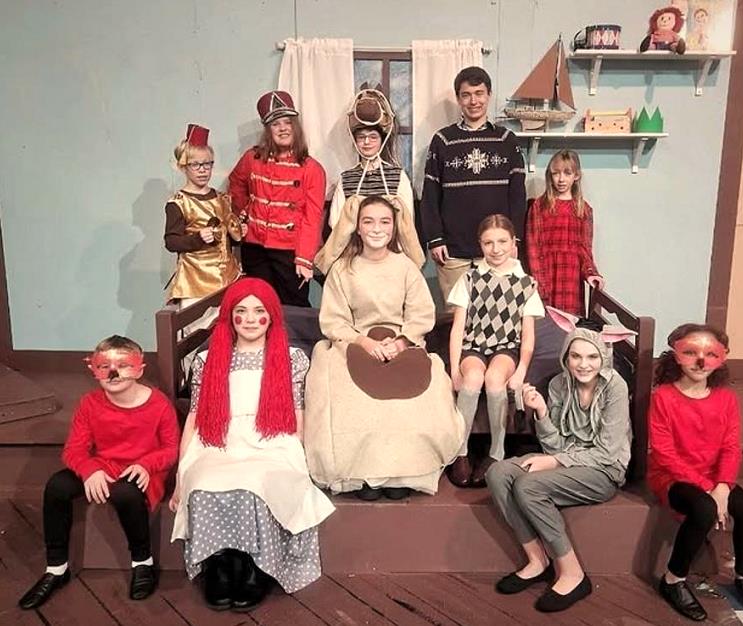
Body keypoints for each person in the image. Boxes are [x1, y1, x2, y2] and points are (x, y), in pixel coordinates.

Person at [169, 277, 334, 612]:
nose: (249, 319)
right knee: (204, 483)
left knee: (255, 483)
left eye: (259, 311)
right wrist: (180, 474)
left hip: (271, 437)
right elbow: (195, 417)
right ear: (230, 316)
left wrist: (299, 456)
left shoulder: (291, 358)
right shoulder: (208, 360)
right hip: (218, 439)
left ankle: (253, 567)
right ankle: (220, 564)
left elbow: (298, 413)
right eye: (241, 311)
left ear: (271, 316)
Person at [304, 195, 464, 500]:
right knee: (349, 395)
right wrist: (364, 342)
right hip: (355, 343)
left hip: (402, 344)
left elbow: (421, 314)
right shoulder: (343, 269)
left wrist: (401, 342)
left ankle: (403, 472)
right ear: (358, 227)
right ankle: (362, 474)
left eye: (384, 222)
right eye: (369, 221)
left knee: (419, 398)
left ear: (393, 227)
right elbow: (334, 320)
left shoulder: (405, 268)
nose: (376, 228)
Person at [486, 307, 633, 613]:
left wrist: (554, 462)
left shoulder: (615, 387)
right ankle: (537, 560)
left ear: (603, 357)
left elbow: (607, 452)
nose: (583, 364)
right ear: (566, 356)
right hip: (568, 461)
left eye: (592, 357)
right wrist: (541, 412)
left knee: (528, 486)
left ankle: (572, 573)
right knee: (498, 473)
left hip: (603, 470)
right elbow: (555, 445)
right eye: (576, 356)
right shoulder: (558, 385)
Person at [18, 336, 179, 609]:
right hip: (104, 465)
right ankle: (56, 568)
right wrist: (90, 469)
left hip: (142, 470)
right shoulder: (89, 403)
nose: (113, 374)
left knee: (126, 493)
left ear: (139, 369)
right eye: (105, 366)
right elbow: (74, 449)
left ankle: (143, 562)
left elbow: (171, 448)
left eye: (123, 365)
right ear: (94, 369)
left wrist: (146, 464)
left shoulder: (159, 404)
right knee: (57, 486)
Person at [648, 324, 743, 621]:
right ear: (677, 355)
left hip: (714, 476)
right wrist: (708, 489)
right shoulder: (663, 396)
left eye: (710, 354)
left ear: (722, 357)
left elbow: (731, 447)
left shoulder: (726, 398)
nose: (700, 361)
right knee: (704, 509)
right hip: (672, 476)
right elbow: (664, 453)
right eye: (691, 353)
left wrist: (723, 487)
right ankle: (673, 579)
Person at [447, 214, 544, 488]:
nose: (496, 249)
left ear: (513, 243)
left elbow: (527, 336)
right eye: (488, 243)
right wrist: (454, 370)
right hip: (474, 346)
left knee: (494, 379)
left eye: (502, 241)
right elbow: (458, 329)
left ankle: (496, 452)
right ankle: (460, 451)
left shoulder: (526, 284)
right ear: (480, 245)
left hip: (506, 348)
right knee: (473, 378)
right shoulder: (469, 279)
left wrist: (521, 371)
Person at [420, 66, 527, 302]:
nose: (473, 101)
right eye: (466, 95)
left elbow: (518, 196)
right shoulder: (443, 140)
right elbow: (430, 195)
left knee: (495, 313)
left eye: (479, 93)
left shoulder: (506, 140)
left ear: (489, 95)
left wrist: (514, 240)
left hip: (496, 249)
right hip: (452, 252)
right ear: (458, 98)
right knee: (455, 315)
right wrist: (435, 238)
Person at [228, 91, 326, 307]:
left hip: (290, 251)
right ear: (267, 130)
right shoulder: (251, 159)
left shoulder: (312, 169)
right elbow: (236, 183)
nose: (283, 128)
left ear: (295, 127)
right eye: (275, 124)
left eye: (287, 122)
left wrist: (304, 258)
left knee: (294, 307)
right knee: (258, 304)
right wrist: (243, 214)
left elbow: (312, 218)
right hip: (255, 246)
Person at [315, 89, 424, 274]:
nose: (367, 142)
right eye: (361, 137)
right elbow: (336, 222)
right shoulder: (347, 178)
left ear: (381, 140)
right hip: (354, 256)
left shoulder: (397, 176)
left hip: (391, 257)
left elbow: (406, 222)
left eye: (373, 137)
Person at [164, 124, 244, 306]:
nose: (202, 170)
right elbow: (171, 242)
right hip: (196, 281)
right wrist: (198, 238)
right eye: (195, 165)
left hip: (227, 277)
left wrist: (237, 234)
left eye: (207, 164)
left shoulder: (222, 199)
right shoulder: (179, 203)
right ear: (183, 167)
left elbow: (227, 238)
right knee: (200, 322)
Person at [525, 150, 604, 316]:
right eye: (556, 173)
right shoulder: (539, 206)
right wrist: (539, 283)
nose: (561, 179)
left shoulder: (584, 210)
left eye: (567, 173)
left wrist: (591, 274)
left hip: (571, 279)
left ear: (576, 176)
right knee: (545, 324)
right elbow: (533, 248)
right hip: (545, 275)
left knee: (570, 323)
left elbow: (585, 250)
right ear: (550, 175)